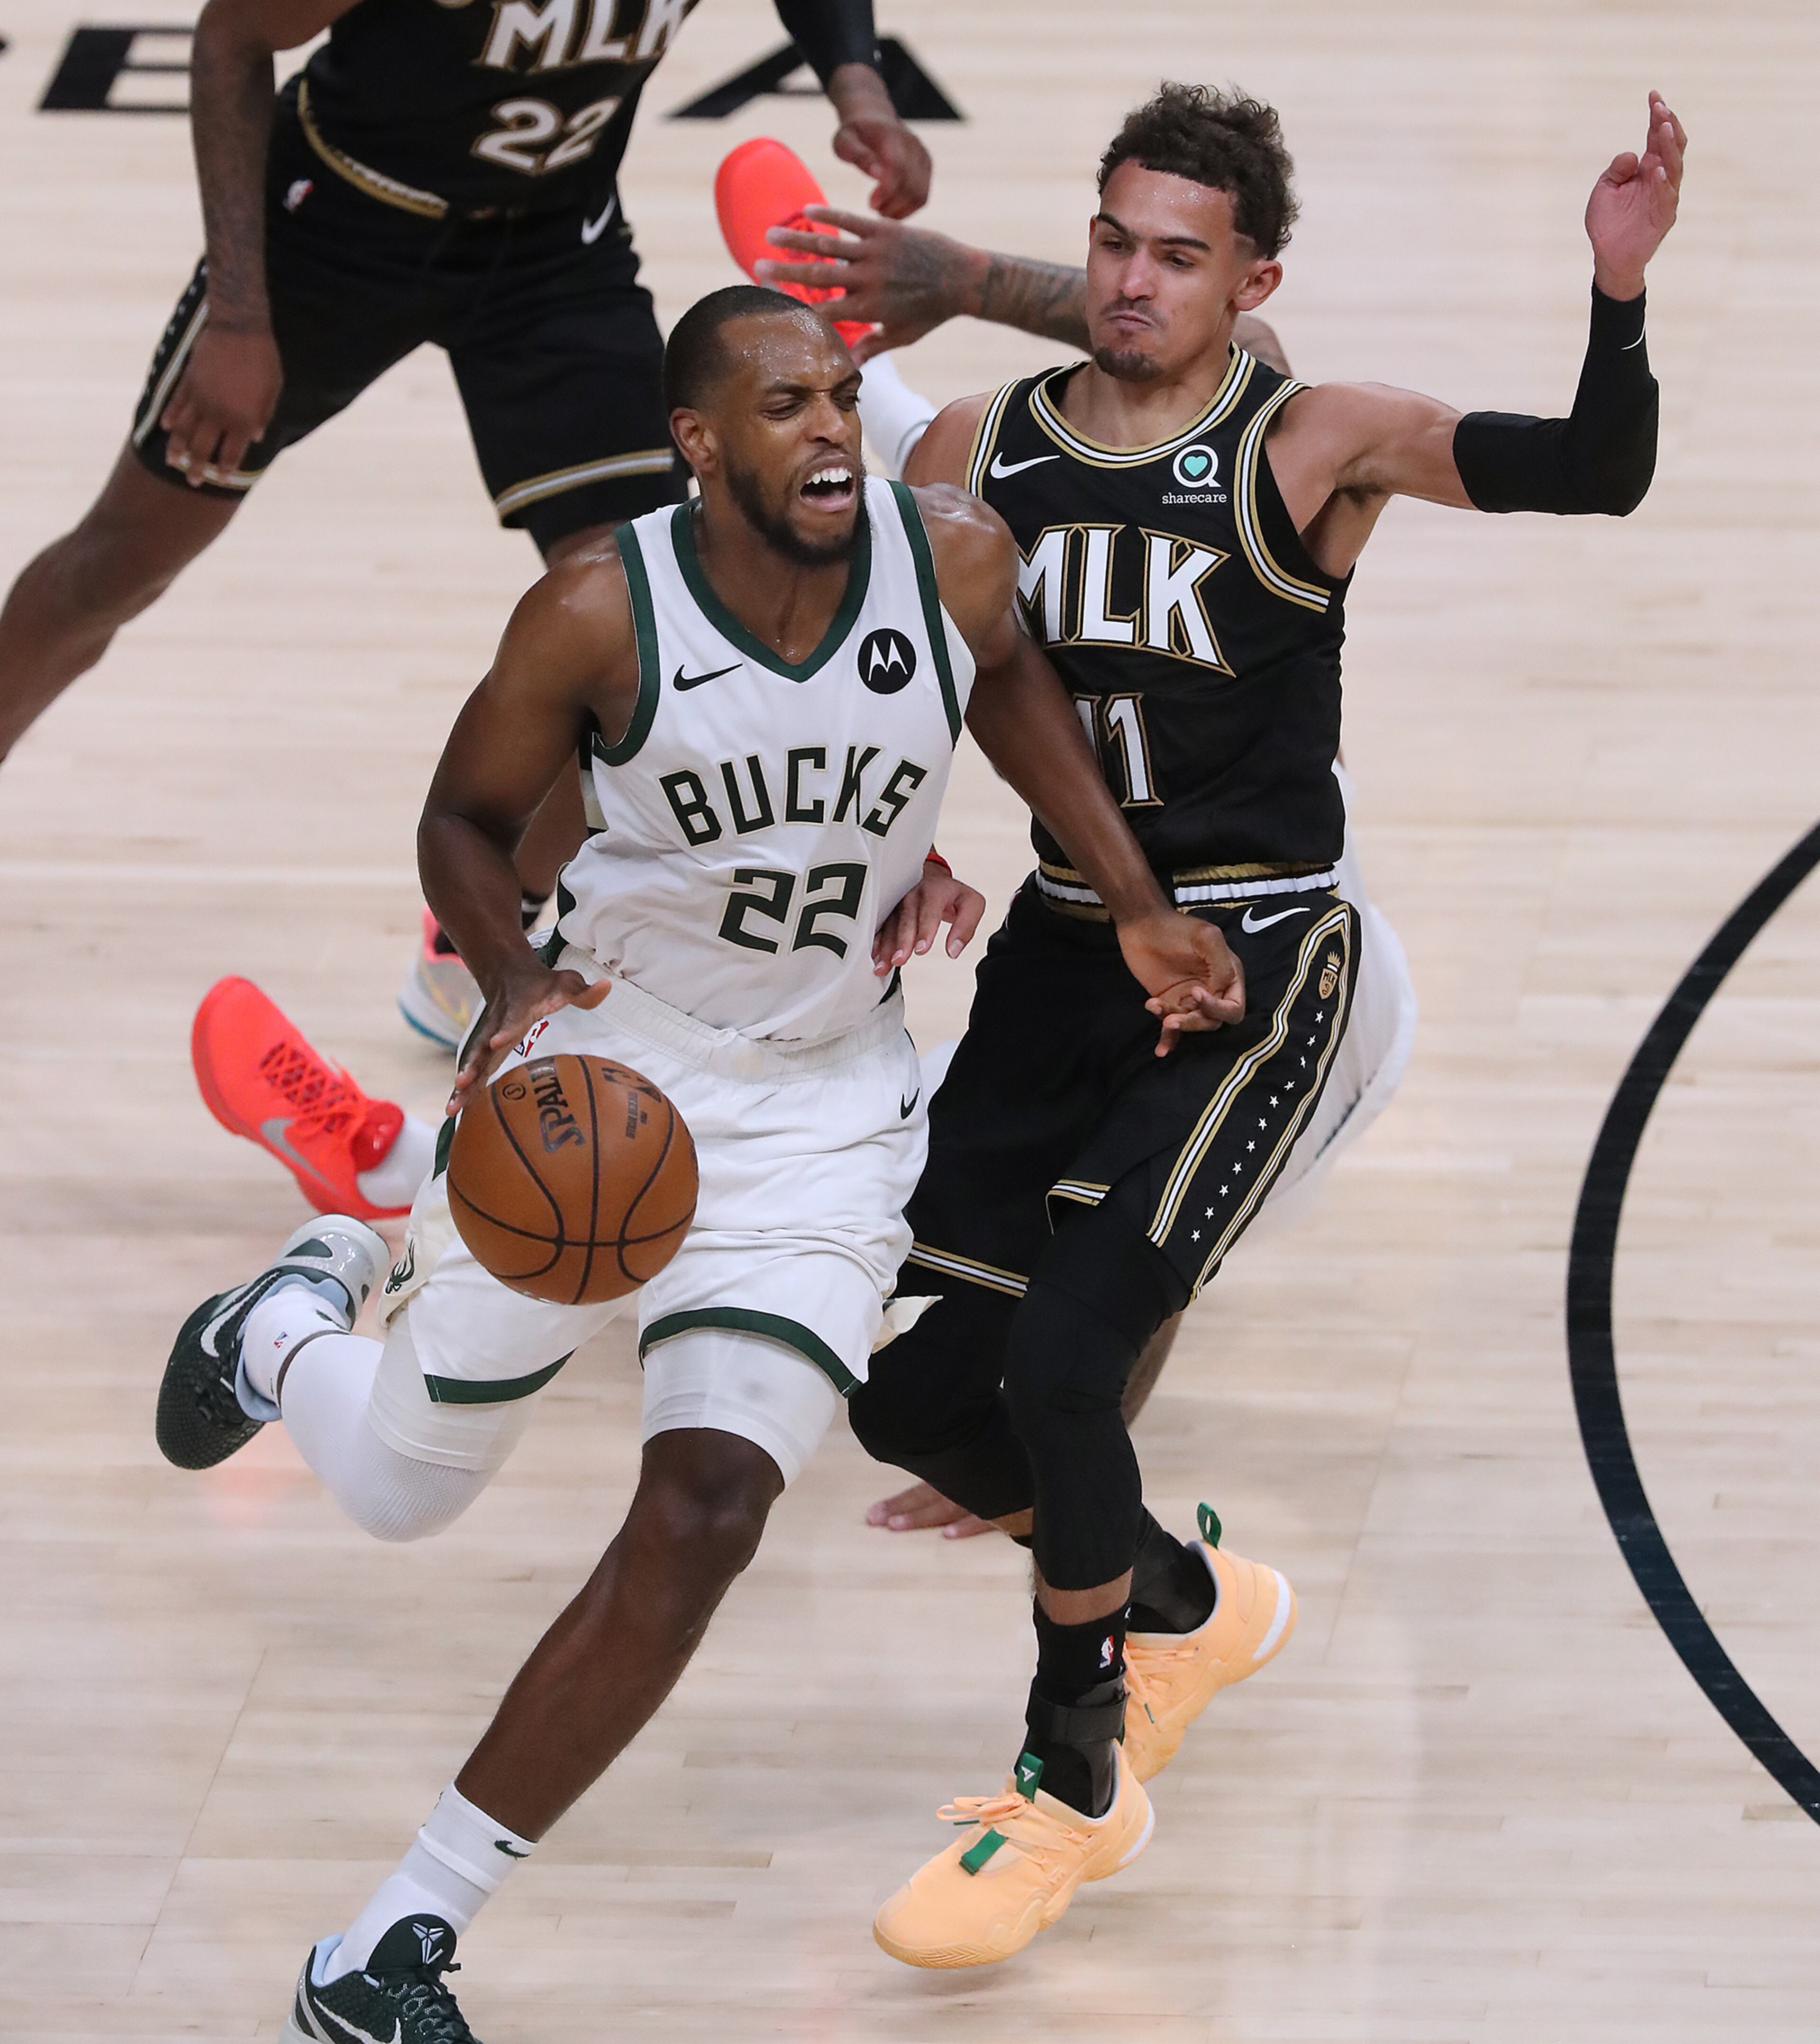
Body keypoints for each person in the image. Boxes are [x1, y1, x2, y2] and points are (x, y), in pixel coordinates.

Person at [155, 284, 1243, 2040]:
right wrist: (513, 977)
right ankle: (287, 1322)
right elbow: (459, 820)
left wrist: (1127, 901)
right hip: (605, 1068)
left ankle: (392, 1941)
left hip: (823, 1111)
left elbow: (1014, 691)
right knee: (407, 1487)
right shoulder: (597, 609)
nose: (831, 431)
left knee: (711, 1506)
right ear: (700, 442)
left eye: (841, 398)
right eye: (789, 405)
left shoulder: (950, 554)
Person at [823, 82, 1681, 1968]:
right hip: (1061, 952)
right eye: (1115, 242)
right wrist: (908, 859)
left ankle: (1077, 1775)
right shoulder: (973, 443)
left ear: (1253, 277)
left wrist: (1615, 295)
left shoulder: (1309, 446)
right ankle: (1189, 1601)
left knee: (1066, 1365)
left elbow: (1592, 470)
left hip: (1254, 961)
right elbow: (908, 683)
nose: (1131, 279)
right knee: (910, 1392)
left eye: (1176, 255)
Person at [0, 0, 931, 1049]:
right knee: (118, 565)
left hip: (549, 252)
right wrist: (241, 315)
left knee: (657, 631)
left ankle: (488, 929)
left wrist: (857, 81)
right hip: (337, 233)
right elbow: (231, 35)